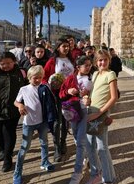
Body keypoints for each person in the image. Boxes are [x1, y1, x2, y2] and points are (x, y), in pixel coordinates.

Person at [13, 65, 55, 184]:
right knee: (25, 147)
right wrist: (20, 105)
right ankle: (18, 171)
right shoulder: (24, 89)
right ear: (29, 77)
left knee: (44, 142)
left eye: (40, 78)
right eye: (35, 78)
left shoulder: (44, 87)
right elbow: (16, 101)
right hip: (29, 123)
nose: (38, 80)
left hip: (42, 122)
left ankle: (44, 161)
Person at [59, 55, 94, 184]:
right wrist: (69, 91)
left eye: (90, 65)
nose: (89, 67)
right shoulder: (71, 78)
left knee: (80, 143)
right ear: (78, 67)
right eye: (86, 65)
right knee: (76, 139)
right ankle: (86, 158)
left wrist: (88, 98)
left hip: (85, 112)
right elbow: (61, 93)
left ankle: (77, 172)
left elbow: (95, 95)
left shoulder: (92, 79)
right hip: (73, 112)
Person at [86, 49, 118, 184]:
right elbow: (92, 92)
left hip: (100, 115)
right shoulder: (94, 74)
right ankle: (96, 173)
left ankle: (109, 179)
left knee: (102, 148)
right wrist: (86, 98)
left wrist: (100, 113)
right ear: (95, 62)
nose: (102, 62)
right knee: (90, 146)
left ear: (109, 60)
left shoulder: (111, 74)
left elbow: (113, 97)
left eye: (105, 59)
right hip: (89, 113)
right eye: (100, 60)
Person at [43, 38, 75, 162]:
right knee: (57, 121)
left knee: (66, 120)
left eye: (67, 46)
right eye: (63, 46)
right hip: (56, 95)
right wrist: (50, 84)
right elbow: (44, 77)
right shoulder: (52, 61)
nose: (66, 48)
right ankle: (56, 146)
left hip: (69, 94)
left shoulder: (71, 60)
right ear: (58, 47)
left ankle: (63, 142)